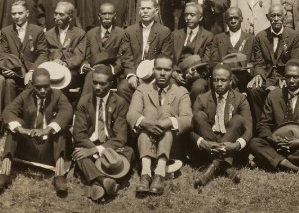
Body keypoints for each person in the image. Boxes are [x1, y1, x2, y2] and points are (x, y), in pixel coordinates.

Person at [0, 68, 73, 194]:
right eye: (38, 87)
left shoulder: (58, 95)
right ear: (32, 84)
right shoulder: (26, 94)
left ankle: (59, 176)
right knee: (15, 124)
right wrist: (21, 129)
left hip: (49, 151)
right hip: (28, 146)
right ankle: (5, 173)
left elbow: (67, 111)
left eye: (46, 86)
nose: (42, 90)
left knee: (59, 128)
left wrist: (48, 129)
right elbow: (8, 111)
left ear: (50, 83)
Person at [126, 55, 191, 195]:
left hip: (172, 145)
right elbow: (132, 114)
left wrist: (168, 122)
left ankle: (159, 173)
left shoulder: (181, 91)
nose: (162, 73)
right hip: (145, 141)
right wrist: (146, 123)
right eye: (159, 69)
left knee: (166, 110)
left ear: (172, 71)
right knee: (148, 112)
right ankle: (146, 173)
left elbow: (188, 119)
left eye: (167, 70)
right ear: (153, 70)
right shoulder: (142, 89)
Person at [248, 60, 299, 177]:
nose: (291, 81)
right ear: (284, 77)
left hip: (298, 145)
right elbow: (263, 124)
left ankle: (269, 160)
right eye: (288, 77)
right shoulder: (274, 95)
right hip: (277, 143)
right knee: (254, 143)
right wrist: (271, 138)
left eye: (295, 77)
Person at [72, 65, 132, 201]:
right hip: (89, 143)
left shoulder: (120, 103)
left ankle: (93, 181)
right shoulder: (85, 101)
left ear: (111, 84)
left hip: (110, 146)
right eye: (95, 82)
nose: (97, 87)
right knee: (79, 153)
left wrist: (95, 150)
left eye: (102, 83)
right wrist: (91, 148)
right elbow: (79, 135)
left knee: (129, 152)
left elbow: (121, 138)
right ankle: (104, 180)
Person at [191, 64, 252, 188]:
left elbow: (249, 128)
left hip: (231, 143)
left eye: (223, 80)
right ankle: (225, 166)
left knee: (238, 119)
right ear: (210, 80)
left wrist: (236, 145)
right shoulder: (202, 98)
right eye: (215, 80)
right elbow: (191, 129)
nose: (219, 84)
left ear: (230, 81)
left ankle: (212, 167)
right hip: (209, 143)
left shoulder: (240, 99)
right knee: (198, 116)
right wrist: (203, 143)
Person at [247, 5, 299, 122]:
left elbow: (294, 61)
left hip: (284, 76)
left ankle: (283, 124)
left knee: (283, 91)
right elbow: (259, 62)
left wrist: (287, 78)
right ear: (268, 17)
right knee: (254, 89)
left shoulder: (294, 36)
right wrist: (258, 75)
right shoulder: (260, 36)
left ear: (284, 17)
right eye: (273, 16)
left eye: (279, 15)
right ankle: (260, 124)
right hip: (266, 76)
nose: (276, 19)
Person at [117, 0, 174, 101]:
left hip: (155, 75)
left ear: (156, 11)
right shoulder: (129, 31)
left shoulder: (164, 32)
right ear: (139, 11)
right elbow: (126, 56)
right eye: (142, 8)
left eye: (149, 8)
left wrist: (151, 75)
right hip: (135, 72)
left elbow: (165, 58)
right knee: (122, 88)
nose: (145, 11)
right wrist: (131, 75)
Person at [0, 1, 48, 111]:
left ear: (27, 13)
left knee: (31, 83)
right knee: (9, 83)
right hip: (14, 72)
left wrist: (32, 71)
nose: (16, 16)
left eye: (20, 13)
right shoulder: (6, 31)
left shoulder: (37, 31)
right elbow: (2, 55)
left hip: (31, 72)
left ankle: (31, 116)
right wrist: (7, 68)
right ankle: (10, 117)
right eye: (14, 14)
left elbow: (43, 54)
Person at [76, 3, 126, 96]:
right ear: (99, 16)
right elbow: (86, 55)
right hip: (93, 70)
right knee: (91, 75)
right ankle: (86, 106)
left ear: (114, 16)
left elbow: (122, 57)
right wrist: (85, 65)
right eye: (104, 14)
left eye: (110, 14)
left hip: (112, 72)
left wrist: (112, 69)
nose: (107, 17)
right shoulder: (91, 33)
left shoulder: (121, 34)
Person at [45, 2, 85, 87]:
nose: (57, 17)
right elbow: (44, 54)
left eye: (61, 15)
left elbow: (79, 56)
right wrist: (53, 62)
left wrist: (65, 63)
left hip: (71, 70)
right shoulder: (47, 34)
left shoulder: (79, 34)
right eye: (55, 14)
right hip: (51, 69)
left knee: (63, 79)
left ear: (70, 17)